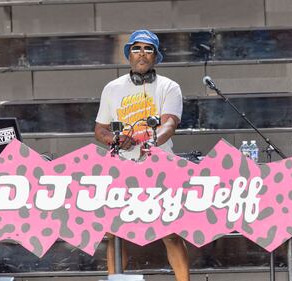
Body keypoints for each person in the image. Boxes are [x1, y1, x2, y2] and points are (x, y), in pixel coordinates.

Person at [94, 30, 189, 281]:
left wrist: (149, 140)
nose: (142, 54)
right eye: (136, 49)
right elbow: (100, 129)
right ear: (129, 55)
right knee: (115, 234)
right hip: (120, 168)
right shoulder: (112, 88)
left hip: (160, 166)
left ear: (156, 56)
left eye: (148, 49)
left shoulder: (170, 87)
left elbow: (169, 124)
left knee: (170, 232)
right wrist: (114, 139)